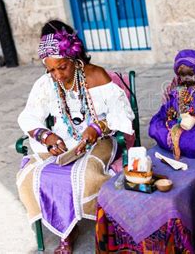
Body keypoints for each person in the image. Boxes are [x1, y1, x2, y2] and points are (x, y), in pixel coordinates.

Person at [17, 20, 134, 253]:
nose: (57, 75)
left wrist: (98, 128)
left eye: (62, 67)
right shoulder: (45, 84)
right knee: (34, 176)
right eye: (50, 70)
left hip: (100, 140)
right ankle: (67, 231)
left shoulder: (97, 76)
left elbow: (123, 115)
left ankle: (109, 227)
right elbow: (28, 117)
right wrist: (46, 136)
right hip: (63, 141)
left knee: (88, 176)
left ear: (74, 58)